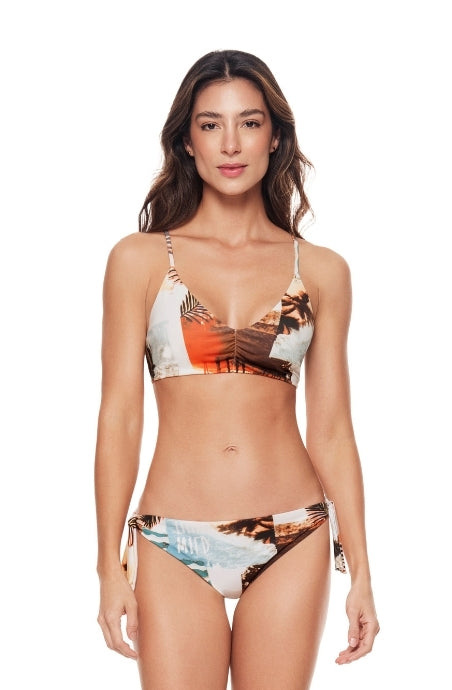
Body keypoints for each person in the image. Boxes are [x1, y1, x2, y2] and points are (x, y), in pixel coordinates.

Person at [95, 49, 379, 689]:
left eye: (249, 123)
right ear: (186, 140)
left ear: (274, 137)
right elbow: (119, 417)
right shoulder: (139, 260)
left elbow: (333, 429)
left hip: (293, 534)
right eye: (210, 124)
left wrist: (360, 570)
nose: (230, 143)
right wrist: (108, 564)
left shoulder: (322, 270)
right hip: (172, 538)